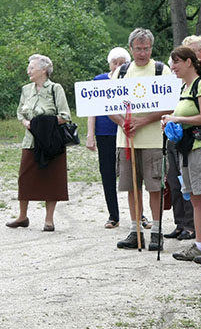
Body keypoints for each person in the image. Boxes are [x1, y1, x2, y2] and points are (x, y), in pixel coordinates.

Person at [111, 28, 174, 252]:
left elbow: (169, 105)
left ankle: (156, 231)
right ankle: (135, 230)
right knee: (131, 186)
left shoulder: (161, 71)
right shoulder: (120, 72)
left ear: (151, 48)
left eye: (146, 48)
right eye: (138, 49)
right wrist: (122, 122)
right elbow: (107, 105)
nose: (142, 53)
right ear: (131, 49)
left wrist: (143, 121)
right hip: (126, 140)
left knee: (154, 186)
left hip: (153, 140)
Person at [163, 46, 201, 265]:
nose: (173, 68)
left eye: (176, 63)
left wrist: (177, 120)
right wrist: (171, 120)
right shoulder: (185, 87)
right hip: (188, 149)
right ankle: (199, 245)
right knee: (196, 199)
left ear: (188, 62)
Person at [8, 54, 71, 232]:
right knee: (24, 177)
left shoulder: (55, 89)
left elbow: (65, 116)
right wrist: (26, 123)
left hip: (52, 142)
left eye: (32, 67)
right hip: (30, 140)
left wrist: (43, 124)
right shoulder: (26, 89)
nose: (28, 71)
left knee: (52, 178)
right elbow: (20, 112)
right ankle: (22, 216)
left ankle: (49, 219)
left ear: (43, 70)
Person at [86, 47, 130, 229]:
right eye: (115, 63)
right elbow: (92, 109)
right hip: (105, 131)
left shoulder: (131, 79)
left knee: (131, 173)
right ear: (109, 64)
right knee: (107, 173)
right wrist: (90, 135)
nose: (118, 66)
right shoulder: (99, 80)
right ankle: (113, 215)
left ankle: (139, 214)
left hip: (127, 131)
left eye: (122, 63)